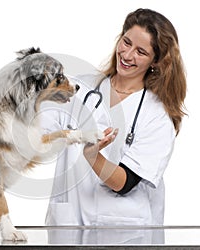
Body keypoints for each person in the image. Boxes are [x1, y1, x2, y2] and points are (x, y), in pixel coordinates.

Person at [41, 8, 186, 243]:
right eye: (126, 42)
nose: (127, 55)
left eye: (140, 51)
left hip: (125, 236)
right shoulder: (78, 89)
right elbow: (35, 131)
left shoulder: (156, 115)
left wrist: (93, 156)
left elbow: (125, 182)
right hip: (68, 227)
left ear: (156, 62)